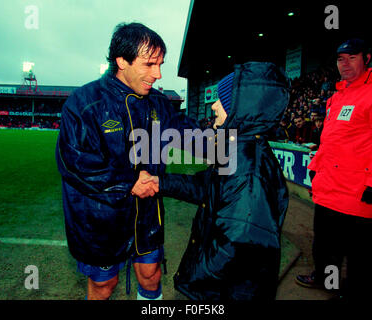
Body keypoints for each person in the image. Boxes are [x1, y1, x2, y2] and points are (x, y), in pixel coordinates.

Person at [56, 22, 200, 300]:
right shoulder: (84, 103)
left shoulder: (158, 103)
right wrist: (130, 181)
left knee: (151, 275)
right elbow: (75, 163)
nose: (157, 74)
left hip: (147, 213)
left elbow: (186, 132)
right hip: (101, 218)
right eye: (149, 64)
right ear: (122, 61)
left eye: (160, 64)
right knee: (103, 286)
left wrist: (230, 140)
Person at [134, 62, 291, 300]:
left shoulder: (248, 168)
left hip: (218, 292)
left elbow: (238, 246)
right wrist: (160, 182)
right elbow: (206, 188)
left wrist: (194, 279)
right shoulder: (240, 148)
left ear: (241, 107)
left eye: (222, 101)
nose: (214, 106)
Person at [295, 38, 372, 300]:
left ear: (367, 59)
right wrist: (315, 167)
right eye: (340, 59)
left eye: (352, 57)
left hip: (359, 192)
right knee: (325, 244)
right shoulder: (337, 96)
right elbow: (329, 141)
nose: (345, 64)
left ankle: (358, 293)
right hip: (329, 188)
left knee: (360, 253)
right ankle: (324, 278)